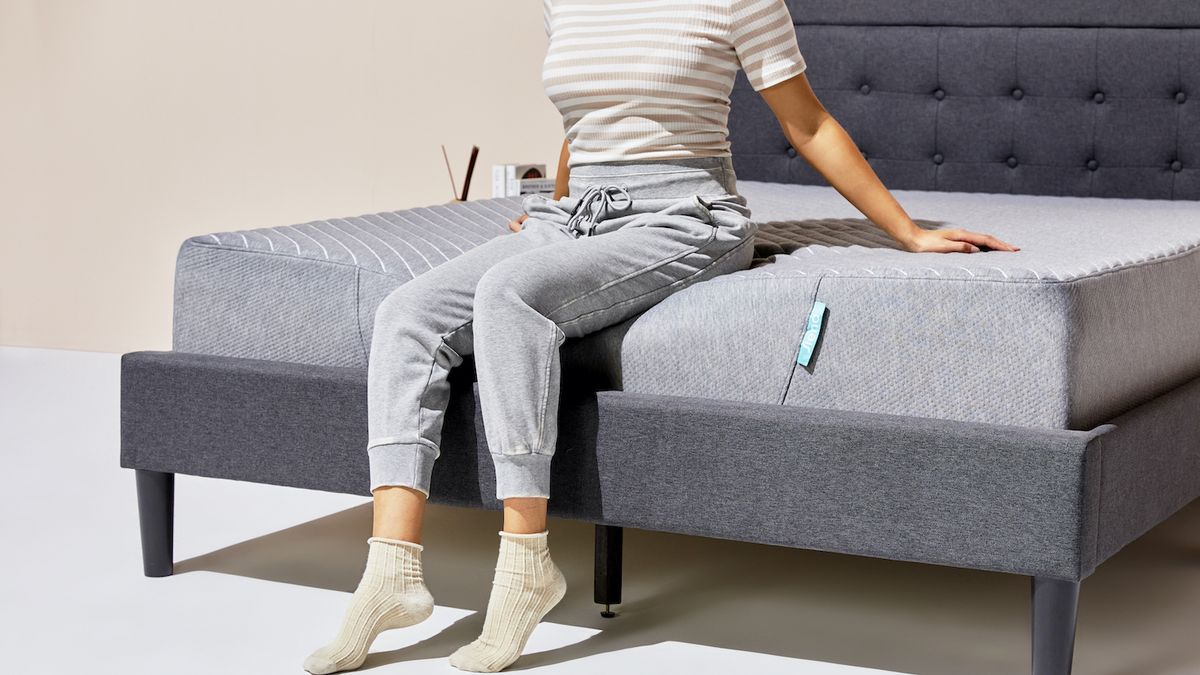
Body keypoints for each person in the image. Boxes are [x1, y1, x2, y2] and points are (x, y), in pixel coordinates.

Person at [304, 0, 1018, 673]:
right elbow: (583, 124)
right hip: (583, 214)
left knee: (510, 296)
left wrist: (907, 232)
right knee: (407, 313)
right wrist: (556, 216)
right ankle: (392, 570)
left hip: (687, 213)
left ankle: (526, 564)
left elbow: (807, 122)